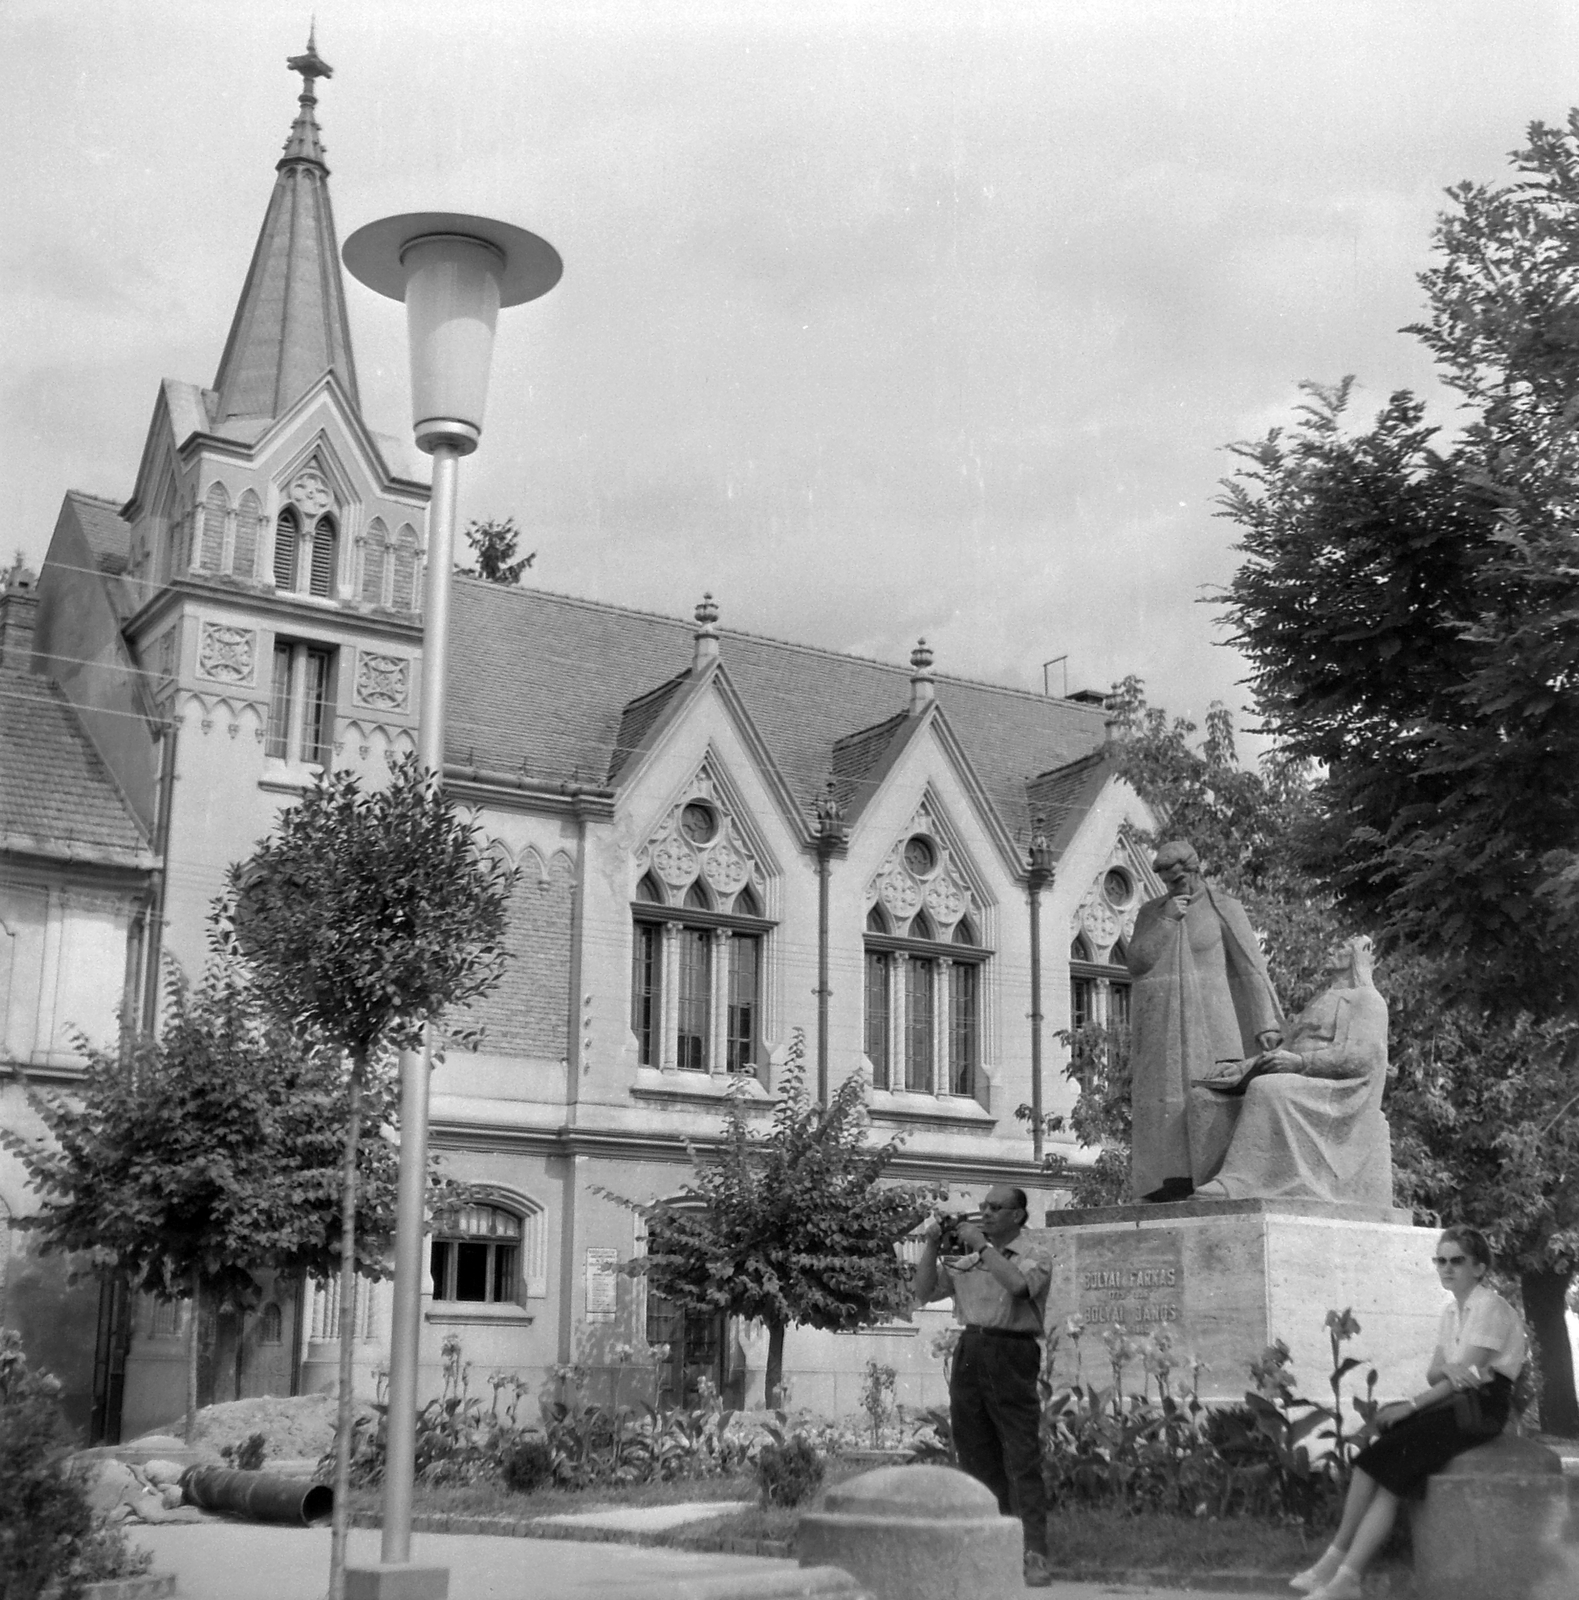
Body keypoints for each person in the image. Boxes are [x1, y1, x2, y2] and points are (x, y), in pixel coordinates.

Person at [1291, 1225, 1526, 1600]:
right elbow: (1438, 1372)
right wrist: (1450, 1370)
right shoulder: (1452, 1312)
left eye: (1457, 1261)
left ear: (1479, 1268)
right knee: (1381, 1467)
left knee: (1382, 1459)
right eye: (1441, 1260)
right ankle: (1339, 1569)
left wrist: (1413, 1406)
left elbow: (1466, 1379)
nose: (1446, 1268)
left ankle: (1342, 1573)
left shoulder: (1490, 1308)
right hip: (1457, 1399)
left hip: (1481, 1407)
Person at [913, 1185, 1055, 1589]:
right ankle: (989, 1547)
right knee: (975, 1454)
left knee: (1020, 1453)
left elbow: (1019, 1287)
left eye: (996, 1208)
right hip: (971, 1348)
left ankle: (1034, 1552)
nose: (987, 1214)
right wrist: (931, 1244)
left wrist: (980, 1245)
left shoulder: (1035, 1254)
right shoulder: (970, 1260)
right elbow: (924, 1291)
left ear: (1018, 1216)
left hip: (1012, 1350)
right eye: (983, 1208)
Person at [1125, 840, 1285, 1201]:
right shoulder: (1153, 912)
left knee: (1214, 1100)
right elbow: (1137, 962)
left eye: (1178, 879)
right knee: (1168, 1102)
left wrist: (1266, 1024)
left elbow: (1249, 968)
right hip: (1165, 1022)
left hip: (1216, 1021)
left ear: (1194, 870)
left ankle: (1216, 1179)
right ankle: (1170, 1180)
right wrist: (1167, 919)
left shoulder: (1224, 907)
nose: (1173, 886)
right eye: (1167, 881)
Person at [1190, 935, 1393, 1205]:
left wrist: (1301, 1063)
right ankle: (1190, 1187)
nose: (1332, 948)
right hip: (1302, 1077)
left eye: (1341, 946)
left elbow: (1359, 1058)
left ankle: (1240, 1181)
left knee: (1268, 1088)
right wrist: (1242, 1067)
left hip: (1339, 1090)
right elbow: (1288, 1047)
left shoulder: (1368, 1000)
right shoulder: (1323, 999)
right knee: (1203, 1098)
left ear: (1358, 955)